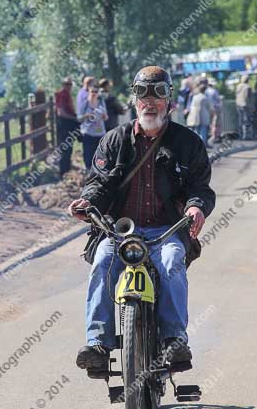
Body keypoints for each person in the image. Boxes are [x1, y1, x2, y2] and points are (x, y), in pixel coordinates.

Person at [69, 65, 215, 373]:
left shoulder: (188, 144)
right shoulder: (114, 140)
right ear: (135, 101)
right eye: (143, 94)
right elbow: (99, 182)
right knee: (103, 262)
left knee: (173, 261)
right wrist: (88, 201)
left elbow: (199, 187)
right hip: (120, 231)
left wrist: (195, 206)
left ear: (169, 100)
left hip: (167, 231)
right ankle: (97, 343)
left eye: (158, 94)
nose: (150, 101)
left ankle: (175, 340)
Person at [77, 83, 108, 171]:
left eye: (95, 91)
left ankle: (99, 173)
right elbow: (79, 118)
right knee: (88, 155)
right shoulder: (85, 103)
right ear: (89, 92)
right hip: (88, 134)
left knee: (100, 155)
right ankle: (89, 173)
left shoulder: (101, 103)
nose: (94, 93)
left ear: (98, 93)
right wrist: (86, 116)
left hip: (100, 133)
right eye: (92, 91)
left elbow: (106, 117)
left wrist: (103, 116)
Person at [54, 77, 78, 177]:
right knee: (65, 150)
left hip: (68, 125)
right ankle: (63, 173)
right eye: (66, 84)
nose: (69, 86)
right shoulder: (61, 95)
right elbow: (61, 112)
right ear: (63, 85)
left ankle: (66, 172)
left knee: (68, 149)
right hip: (64, 125)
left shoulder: (67, 94)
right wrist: (74, 118)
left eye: (70, 84)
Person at [186, 77, 212, 145]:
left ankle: (195, 146)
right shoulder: (203, 95)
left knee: (195, 132)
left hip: (194, 115)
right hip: (202, 115)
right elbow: (209, 107)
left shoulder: (193, 94)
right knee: (202, 131)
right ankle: (201, 146)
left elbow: (189, 104)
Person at [235, 75, 254, 140]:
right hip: (245, 105)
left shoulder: (238, 86)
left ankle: (239, 135)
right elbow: (248, 97)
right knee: (246, 120)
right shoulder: (248, 87)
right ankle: (245, 135)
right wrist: (251, 106)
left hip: (238, 104)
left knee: (240, 120)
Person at [206, 78, 222, 143]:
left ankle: (210, 136)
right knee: (215, 123)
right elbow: (218, 100)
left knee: (210, 123)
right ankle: (214, 136)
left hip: (208, 109)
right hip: (215, 108)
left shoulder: (206, 91)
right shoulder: (215, 91)